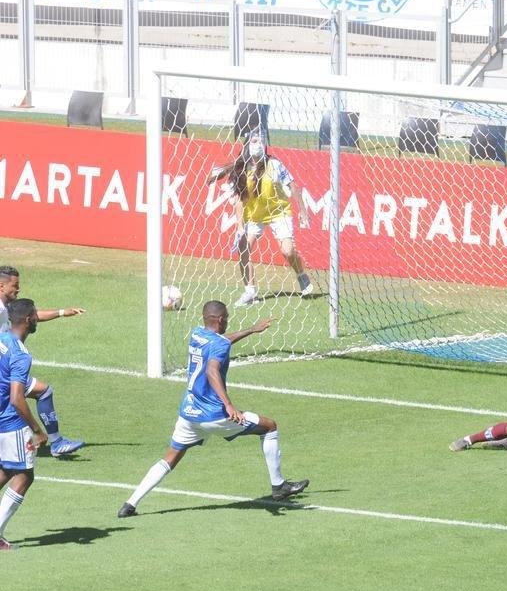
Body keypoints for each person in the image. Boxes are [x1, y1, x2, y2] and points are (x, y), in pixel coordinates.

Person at [117, 300, 308, 518]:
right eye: (227, 317)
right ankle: (279, 486)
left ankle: (130, 504)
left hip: (189, 413)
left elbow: (221, 342)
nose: (228, 321)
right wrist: (228, 404)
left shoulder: (197, 334)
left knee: (169, 458)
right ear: (220, 319)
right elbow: (212, 370)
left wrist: (251, 330)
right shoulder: (219, 345)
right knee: (269, 426)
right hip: (215, 415)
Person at [209, 129, 314, 307]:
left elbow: (293, 186)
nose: (258, 145)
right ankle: (250, 292)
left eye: (261, 141)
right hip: (254, 216)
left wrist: (303, 211)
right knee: (243, 247)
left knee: (287, 251)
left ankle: (301, 275)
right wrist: (239, 228)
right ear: (247, 144)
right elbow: (239, 201)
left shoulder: (275, 164)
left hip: (278, 212)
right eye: (254, 141)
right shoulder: (241, 169)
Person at [0, 266, 86, 456]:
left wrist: (62, 312)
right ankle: (52, 441)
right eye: (15, 285)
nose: (18, 289)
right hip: (5, 367)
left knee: (42, 391)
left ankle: (56, 442)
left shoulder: (10, 308)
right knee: (21, 399)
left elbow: (30, 316)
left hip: (5, 364)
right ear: (2, 286)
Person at [0, 300, 49, 550]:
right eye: (35, 314)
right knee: (24, 475)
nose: (38, 317)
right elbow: (17, 398)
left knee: (5, 470)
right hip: (10, 422)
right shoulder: (20, 354)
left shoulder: (1, 338)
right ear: (28, 319)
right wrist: (37, 430)